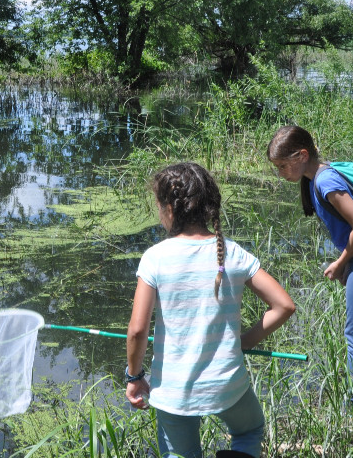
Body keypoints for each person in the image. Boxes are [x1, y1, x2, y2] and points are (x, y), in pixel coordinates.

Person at [125, 162, 296, 458]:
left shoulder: (155, 258)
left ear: (169, 208)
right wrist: (244, 342)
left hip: (174, 392)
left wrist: (134, 376)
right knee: (249, 430)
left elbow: (138, 330)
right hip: (228, 384)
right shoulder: (233, 253)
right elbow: (284, 305)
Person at [266, 125, 353, 422]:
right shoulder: (318, 177)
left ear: (302, 155)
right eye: (278, 168)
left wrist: (341, 262)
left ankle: (348, 410)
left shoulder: (324, 181)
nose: (282, 172)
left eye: (284, 165)